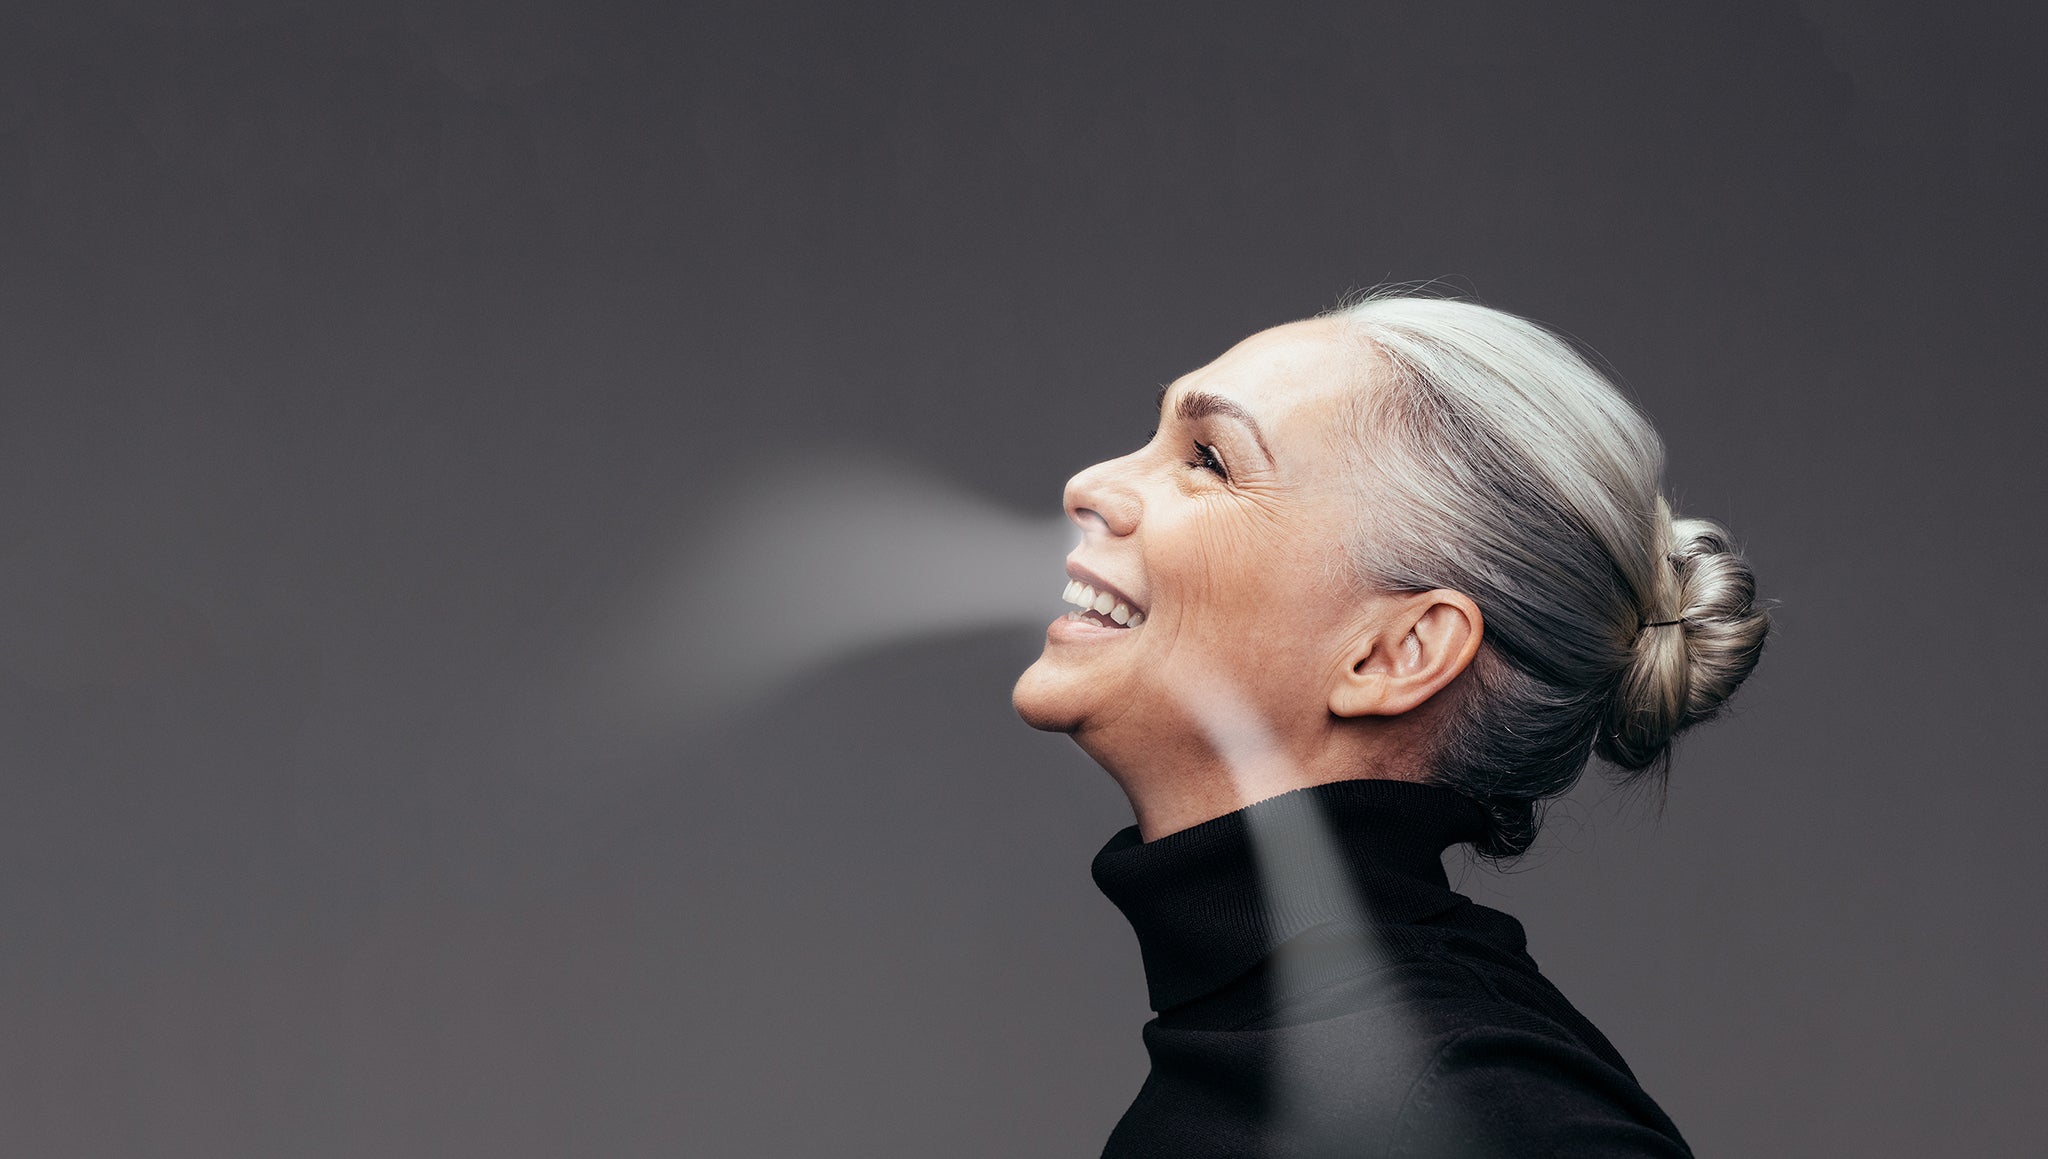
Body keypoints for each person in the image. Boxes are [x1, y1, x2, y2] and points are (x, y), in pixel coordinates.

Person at [1012, 293, 1769, 1157]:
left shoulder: (1465, 1104)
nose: (1091, 485)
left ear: (1395, 653)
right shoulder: (1291, 1052)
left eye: (1211, 460)